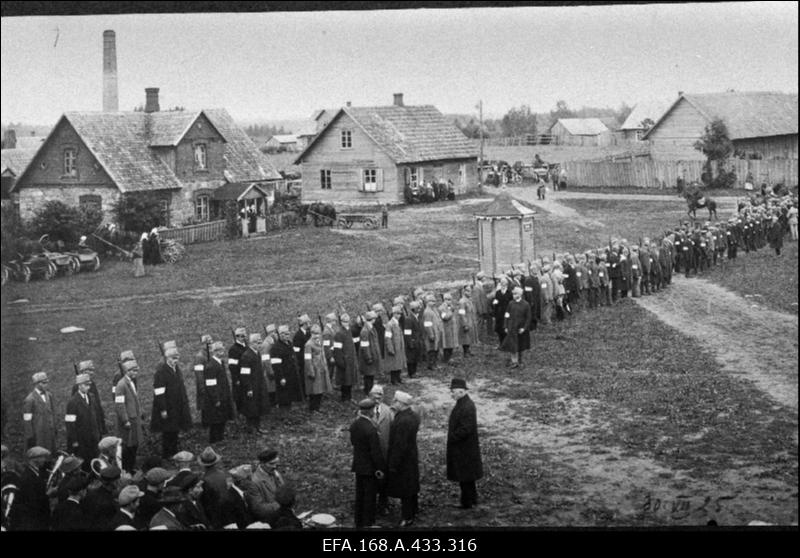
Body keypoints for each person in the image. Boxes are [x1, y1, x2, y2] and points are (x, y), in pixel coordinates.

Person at [446, 378, 483, 510]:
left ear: (461, 391)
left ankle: (466, 502)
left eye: (453, 392)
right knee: (468, 476)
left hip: (464, 449)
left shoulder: (466, 406)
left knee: (464, 476)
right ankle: (472, 499)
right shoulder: (464, 403)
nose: (452, 394)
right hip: (466, 448)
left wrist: (453, 437)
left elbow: (466, 429)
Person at [349, 398, 386, 529]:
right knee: (369, 497)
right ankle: (368, 522)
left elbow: (353, 442)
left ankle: (358, 521)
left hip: (359, 465)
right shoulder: (371, 429)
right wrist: (380, 468)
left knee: (360, 494)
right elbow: (375, 451)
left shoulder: (355, 425)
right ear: (370, 411)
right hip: (370, 468)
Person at [151, 345, 193, 459]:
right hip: (168, 408)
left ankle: (174, 452)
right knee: (168, 432)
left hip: (177, 406)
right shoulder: (161, 373)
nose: (176, 360)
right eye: (173, 358)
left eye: (177, 358)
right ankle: (167, 454)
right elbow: (159, 393)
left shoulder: (176, 369)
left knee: (175, 430)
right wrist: (163, 409)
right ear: (167, 358)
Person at [386, 391, 420, 527]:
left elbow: (400, 444)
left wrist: (393, 463)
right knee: (412, 485)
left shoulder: (403, 421)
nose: (393, 404)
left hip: (403, 459)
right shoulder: (412, 415)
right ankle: (414, 509)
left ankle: (407, 516)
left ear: (401, 403)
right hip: (411, 456)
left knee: (405, 488)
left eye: (395, 401)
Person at [65, 373, 101, 469]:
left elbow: (96, 416)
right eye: (86, 385)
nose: (88, 388)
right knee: (85, 462)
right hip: (82, 439)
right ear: (79, 385)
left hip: (93, 437)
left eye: (89, 385)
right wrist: (74, 440)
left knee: (95, 460)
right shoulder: (72, 402)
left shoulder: (91, 397)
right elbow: (70, 424)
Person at [201, 341, 234, 443]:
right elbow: (211, 385)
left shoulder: (220, 363)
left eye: (222, 350)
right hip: (216, 398)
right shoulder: (211, 366)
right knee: (216, 420)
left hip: (223, 395)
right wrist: (216, 399)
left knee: (222, 419)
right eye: (219, 350)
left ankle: (220, 437)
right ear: (214, 352)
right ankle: (214, 439)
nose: (221, 352)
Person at [115, 359, 144, 474]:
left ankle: (131, 467)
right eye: (134, 371)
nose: (136, 373)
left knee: (134, 445)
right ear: (128, 371)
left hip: (134, 418)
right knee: (128, 446)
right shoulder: (121, 385)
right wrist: (125, 420)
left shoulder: (130, 382)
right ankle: (127, 469)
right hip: (129, 421)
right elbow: (119, 405)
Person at [14, 447, 53, 531]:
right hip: (33, 521)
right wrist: (48, 494)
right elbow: (32, 502)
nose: (45, 460)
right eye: (43, 457)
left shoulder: (35, 473)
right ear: (35, 459)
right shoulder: (28, 477)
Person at [369, 385, 393, 516]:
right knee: (370, 479)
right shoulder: (363, 411)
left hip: (384, 452)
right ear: (369, 395)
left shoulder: (389, 411)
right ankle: (370, 504)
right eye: (374, 394)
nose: (377, 397)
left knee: (384, 479)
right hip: (370, 453)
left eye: (380, 394)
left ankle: (383, 504)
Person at [239, 333, 269, 432]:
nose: (260, 345)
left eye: (260, 342)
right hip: (252, 386)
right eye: (258, 343)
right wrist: (248, 388)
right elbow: (244, 375)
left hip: (259, 384)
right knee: (251, 407)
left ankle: (257, 426)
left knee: (258, 405)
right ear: (252, 343)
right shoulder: (246, 356)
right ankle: (251, 427)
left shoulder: (257, 353)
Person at [272, 325, 304, 414]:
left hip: (292, 374)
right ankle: (283, 414)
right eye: (285, 334)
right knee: (284, 396)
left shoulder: (289, 344)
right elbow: (276, 365)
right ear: (280, 335)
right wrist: (281, 377)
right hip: (284, 376)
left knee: (290, 394)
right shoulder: (276, 348)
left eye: (288, 333)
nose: (287, 335)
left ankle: (289, 413)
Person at [22, 372, 57, 453]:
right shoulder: (30, 400)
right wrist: (30, 436)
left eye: (47, 382)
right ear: (36, 384)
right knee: (40, 456)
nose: (46, 385)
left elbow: (52, 413)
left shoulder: (49, 396)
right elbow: (27, 421)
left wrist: (54, 427)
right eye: (43, 383)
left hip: (50, 432)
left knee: (51, 454)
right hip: (38, 434)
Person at [72, 360, 107, 437]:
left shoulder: (92, 383)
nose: (92, 373)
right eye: (90, 370)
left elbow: (97, 402)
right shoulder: (77, 387)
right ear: (83, 371)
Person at [251, 449, 285, 525]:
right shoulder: (254, 482)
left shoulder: (274, 472)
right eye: (272, 464)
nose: (275, 466)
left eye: (277, 463)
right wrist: (282, 504)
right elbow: (259, 509)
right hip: (270, 521)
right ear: (262, 463)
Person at [500, 286, 532, 368]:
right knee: (512, 345)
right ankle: (514, 361)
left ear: (520, 294)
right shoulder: (511, 304)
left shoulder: (525, 304)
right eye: (513, 294)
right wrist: (505, 326)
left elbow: (528, 318)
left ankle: (521, 361)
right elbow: (506, 315)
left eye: (515, 294)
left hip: (521, 329)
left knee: (521, 345)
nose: (514, 295)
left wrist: (524, 328)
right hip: (512, 328)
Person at [82, 465, 121, 531]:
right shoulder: (109, 503)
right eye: (118, 480)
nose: (120, 482)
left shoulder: (90, 494)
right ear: (114, 482)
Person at [305, 324, 333, 412]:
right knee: (314, 391)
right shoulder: (308, 345)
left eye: (318, 334)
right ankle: (312, 409)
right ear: (311, 334)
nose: (316, 336)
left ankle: (317, 408)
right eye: (314, 334)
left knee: (320, 390)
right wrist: (311, 371)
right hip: (314, 370)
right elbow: (307, 360)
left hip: (321, 368)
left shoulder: (319, 341)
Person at [196, 447, 227, 529]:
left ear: (202, 464)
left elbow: (205, 503)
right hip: (225, 513)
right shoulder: (222, 474)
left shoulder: (204, 480)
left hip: (213, 518)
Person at [333, 313, 360, 402]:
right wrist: (341, 362)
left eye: (347, 321)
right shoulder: (339, 334)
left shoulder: (349, 331)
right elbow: (337, 350)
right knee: (344, 380)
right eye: (344, 322)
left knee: (350, 380)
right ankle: (344, 398)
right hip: (344, 361)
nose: (346, 323)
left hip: (351, 360)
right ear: (341, 322)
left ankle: (349, 397)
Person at [358, 311, 382, 396]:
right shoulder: (365, 330)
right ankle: (367, 390)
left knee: (371, 375)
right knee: (368, 375)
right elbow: (365, 346)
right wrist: (368, 357)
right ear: (372, 319)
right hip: (368, 357)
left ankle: (369, 390)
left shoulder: (370, 328)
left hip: (372, 355)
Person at [384, 305, 407, 385]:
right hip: (394, 348)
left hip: (399, 347)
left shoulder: (397, 323)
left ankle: (398, 378)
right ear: (394, 314)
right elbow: (388, 338)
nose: (399, 315)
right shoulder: (389, 324)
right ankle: (394, 380)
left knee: (398, 363)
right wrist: (390, 348)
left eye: (400, 314)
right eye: (398, 314)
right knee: (394, 365)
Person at [228, 326, 248, 416]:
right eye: (242, 336)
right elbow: (232, 367)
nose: (244, 338)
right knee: (240, 397)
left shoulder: (246, 347)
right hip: (239, 377)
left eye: (245, 336)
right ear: (237, 337)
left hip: (247, 376)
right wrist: (236, 379)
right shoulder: (233, 350)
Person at [293, 314, 313, 401]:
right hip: (302, 362)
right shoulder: (297, 336)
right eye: (308, 323)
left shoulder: (308, 333)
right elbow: (296, 352)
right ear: (304, 324)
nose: (310, 324)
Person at [403, 302, 424, 379]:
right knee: (411, 358)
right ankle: (411, 373)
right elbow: (407, 333)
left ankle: (414, 372)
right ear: (413, 309)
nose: (419, 309)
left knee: (415, 357)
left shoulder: (416, 317)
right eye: (417, 308)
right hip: (412, 342)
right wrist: (410, 343)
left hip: (417, 341)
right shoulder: (409, 319)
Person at [492, 277, 513, 345]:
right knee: (500, 329)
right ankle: (501, 343)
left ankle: (507, 343)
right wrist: (494, 314)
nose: (503, 285)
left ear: (507, 284)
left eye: (504, 284)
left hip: (507, 313)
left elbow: (511, 303)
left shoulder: (509, 293)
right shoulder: (498, 293)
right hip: (499, 314)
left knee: (506, 327)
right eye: (501, 283)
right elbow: (495, 303)